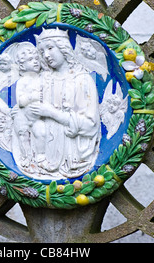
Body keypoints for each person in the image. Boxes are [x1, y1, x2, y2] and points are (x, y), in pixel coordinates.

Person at [28, 28, 101, 178]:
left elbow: (89, 124)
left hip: (73, 156)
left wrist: (51, 113)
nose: (46, 55)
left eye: (50, 48)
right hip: (46, 155)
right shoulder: (44, 80)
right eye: (42, 52)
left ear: (64, 47)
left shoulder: (82, 80)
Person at [10, 42, 47, 171]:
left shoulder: (43, 78)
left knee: (41, 132)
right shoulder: (22, 81)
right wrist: (34, 97)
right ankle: (26, 157)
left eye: (37, 59)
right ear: (22, 66)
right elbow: (20, 101)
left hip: (38, 117)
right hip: (23, 116)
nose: (35, 62)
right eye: (30, 60)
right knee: (23, 135)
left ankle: (41, 156)